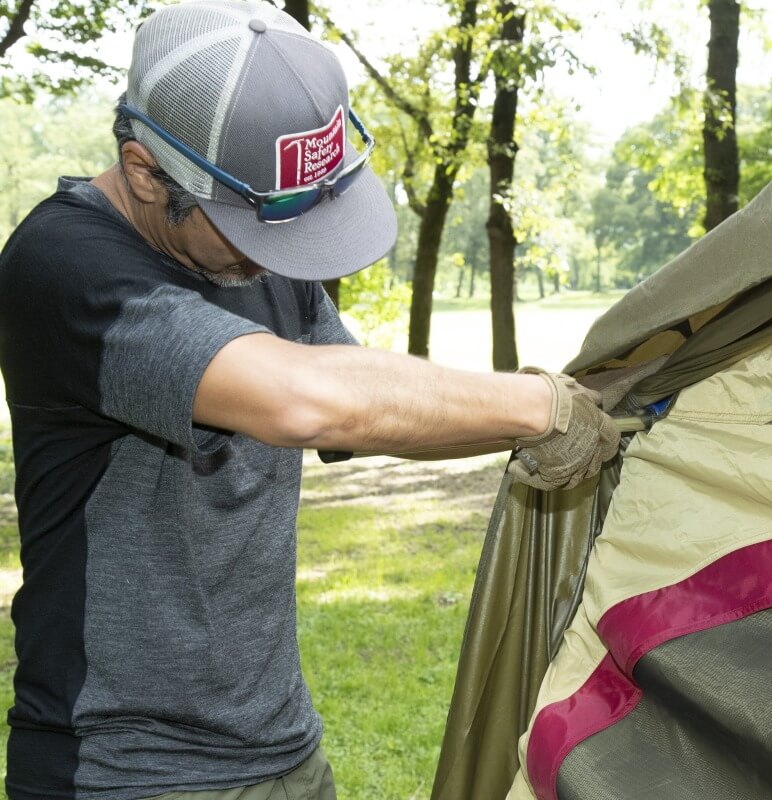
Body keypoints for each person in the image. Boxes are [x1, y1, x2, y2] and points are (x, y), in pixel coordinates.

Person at [0, 2, 619, 798]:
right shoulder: (64, 268)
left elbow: (377, 413)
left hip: (283, 750)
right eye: (257, 229)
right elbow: (306, 402)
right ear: (147, 170)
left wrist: (572, 415)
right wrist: (541, 407)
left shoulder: (254, 256)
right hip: (124, 770)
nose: (276, 260)